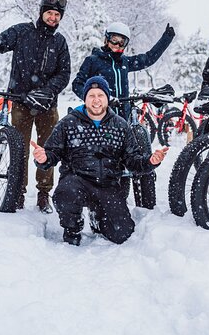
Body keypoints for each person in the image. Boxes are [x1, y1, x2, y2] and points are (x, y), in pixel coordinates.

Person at [31, 76, 168, 245]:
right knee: (65, 195)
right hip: (76, 181)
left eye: (100, 95)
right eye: (92, 95)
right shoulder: (68, 123)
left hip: (108, 186)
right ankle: (72, 227)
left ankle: (98, 218)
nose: (96, 100)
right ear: (85, 98)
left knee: (121, 234)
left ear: (107, 98)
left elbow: (133, 161)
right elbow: (52, 154)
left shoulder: (120, 125)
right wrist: (43, 158)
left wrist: (151, 161)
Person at [0, 0, 71, 214]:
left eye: (56, 15)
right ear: (42, 12)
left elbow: (64, 73)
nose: (52, 18)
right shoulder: (23, 31)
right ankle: (17, 191)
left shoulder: (59, 42)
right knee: (19, 148)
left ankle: (43, 194)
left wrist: (46, 92)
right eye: (49, 13)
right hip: (20, 102)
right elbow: (0, 44)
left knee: (48, 149)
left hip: (47, 105)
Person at [72, 21, 175, 119]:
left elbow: (148, 59)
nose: (117, 45)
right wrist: (96, 99)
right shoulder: (92, 61)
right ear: (106, 40)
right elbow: (77, 84)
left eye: (122, 42)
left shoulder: (125, 62)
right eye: (114, 40)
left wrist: (166, 39)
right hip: (101, 115)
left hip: (124, 116)